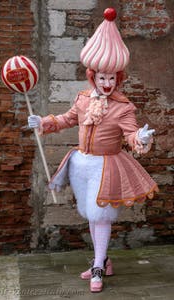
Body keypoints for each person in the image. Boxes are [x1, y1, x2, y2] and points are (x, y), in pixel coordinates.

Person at [28, 8, 158, 293]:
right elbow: (66, 119)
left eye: (112, 78)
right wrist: (44, 121)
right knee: (91, 214)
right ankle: (104, 260)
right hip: (81, 164)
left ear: (118, 77)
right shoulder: (83, 99)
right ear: (92, 76)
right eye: (102, 78)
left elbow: (131, 135)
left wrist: (141, 137)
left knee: (100, 216)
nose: (107, 83)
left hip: (106, 166)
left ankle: (98, 266)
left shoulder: (124, 107)